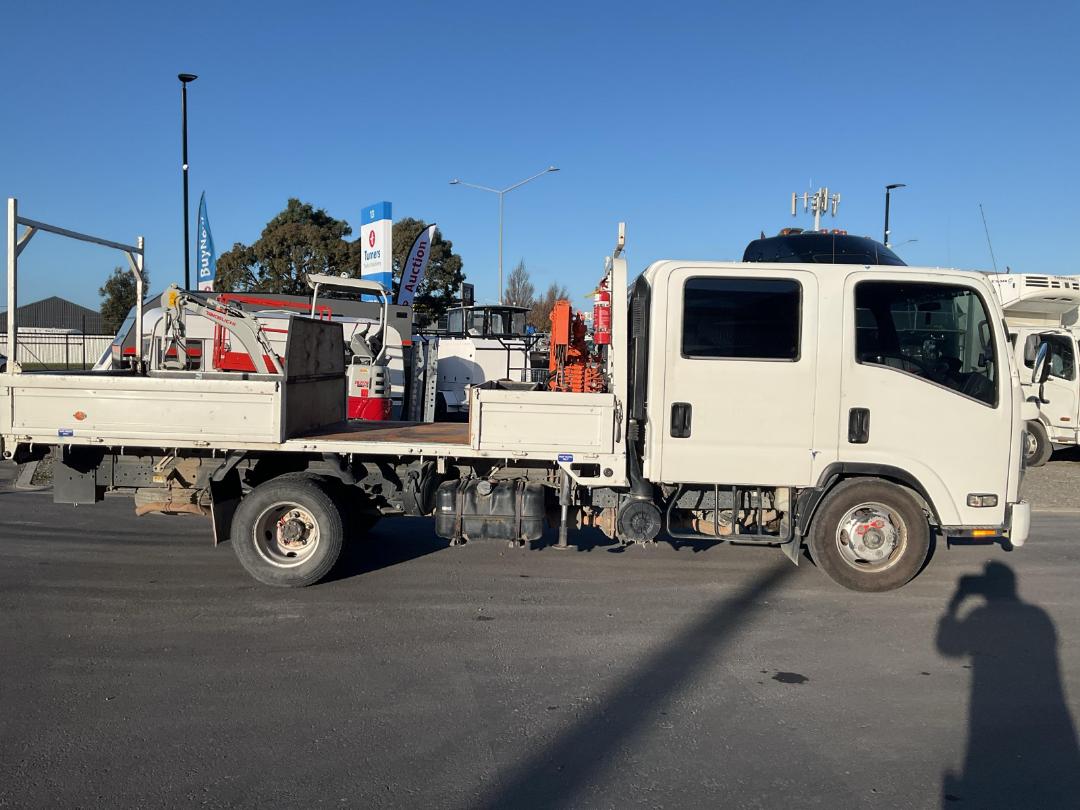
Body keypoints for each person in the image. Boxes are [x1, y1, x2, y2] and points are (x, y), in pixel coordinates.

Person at [936, 562, 1080, 806]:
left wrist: (954, 604)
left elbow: (947, 647)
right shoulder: (1039, 616)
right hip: (1048, 709)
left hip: (989, 710)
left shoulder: (978, 615)